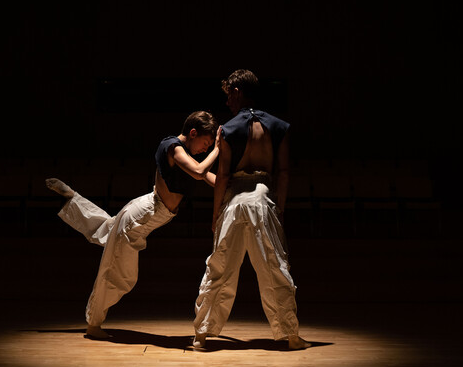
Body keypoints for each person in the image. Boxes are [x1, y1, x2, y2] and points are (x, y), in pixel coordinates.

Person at [46, 111, 221, 339]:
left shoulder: (186, 156)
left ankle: (73, 197)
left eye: (210, 146)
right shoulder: (173, 146)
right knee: (118, 273)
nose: (206, 149)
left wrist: (236, 188)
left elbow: (208, 177)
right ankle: (93, 325)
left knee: (109, 231)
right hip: (143, 214)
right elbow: (200, 172)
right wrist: (219, 148)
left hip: (143, 215)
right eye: (205, 143)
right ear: (193, 133)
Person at [192, 70, 310, 350]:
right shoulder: (279, 126)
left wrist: (215, 214)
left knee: (220, 267)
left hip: (234, 200)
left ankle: (202, 335)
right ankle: (291, 336)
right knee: (274, 267)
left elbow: (222, 176)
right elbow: (283, 172)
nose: (228, 103)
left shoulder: (229, 129)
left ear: (236, 91)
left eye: (228, 96)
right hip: (263, 198)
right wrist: (278, 209)